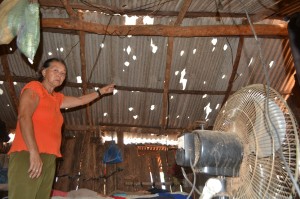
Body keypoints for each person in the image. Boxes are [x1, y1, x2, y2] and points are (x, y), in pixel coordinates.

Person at [8, 58, 115, 199]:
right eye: (56, 70)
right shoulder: (35, 88)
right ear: (44, 72)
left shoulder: (56, 98)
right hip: (28, 152)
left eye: (63, 73)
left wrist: (100, 92)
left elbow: (80, 100)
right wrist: (33, 153)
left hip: (49, 157)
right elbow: (24, 117)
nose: (60, 75)